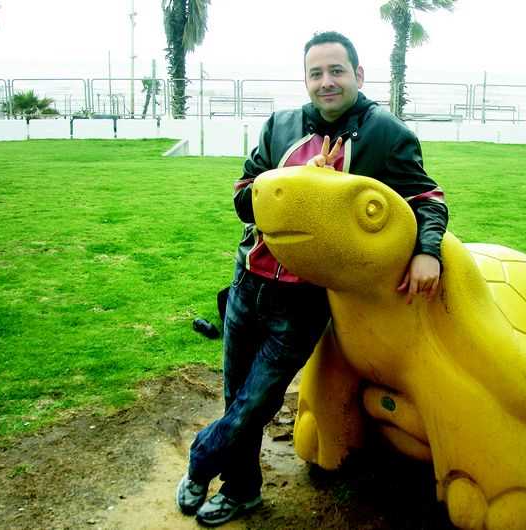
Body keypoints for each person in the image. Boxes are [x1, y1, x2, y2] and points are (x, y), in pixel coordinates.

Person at [176, 31, 449, 527]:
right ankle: (241, 490)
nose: (327, 82)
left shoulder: (386, 134)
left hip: (303, 300)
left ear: (358, 74)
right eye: (316, 73)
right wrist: (298, 184)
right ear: (305, 79)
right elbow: (243, 196)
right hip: (247, 282)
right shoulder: (280, 126)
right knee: (236, 395)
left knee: (256, 402)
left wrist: (427, 252)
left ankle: (201, 457)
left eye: (336, 71)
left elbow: (427, 200)